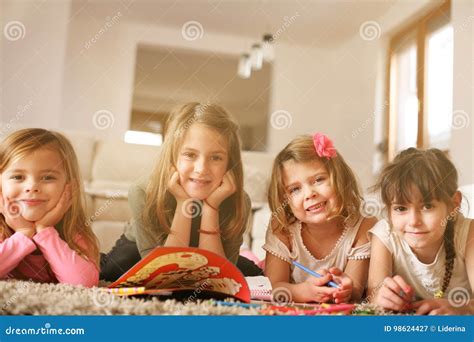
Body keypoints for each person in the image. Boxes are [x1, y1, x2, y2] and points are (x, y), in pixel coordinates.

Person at [100, 103, 262, 281]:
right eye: (190, 155)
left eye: (216, 158)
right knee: (113, 271)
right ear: (172, 156)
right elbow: (163, 274)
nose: (201, 169)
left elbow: (217, 278)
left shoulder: (239, 201)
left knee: (250, 272)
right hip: (146, 248)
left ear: (229, 163)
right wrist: (183, 203)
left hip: (208, 248)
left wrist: (210, 209)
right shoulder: (143, 191)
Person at [264, 133, 375, 303]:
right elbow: (272, 287)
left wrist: (345, 289)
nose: (309, 194)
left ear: (340, 178)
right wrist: (303, 292)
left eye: (318, 180)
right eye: (295, 189)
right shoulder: (282, 229)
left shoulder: (362, 228)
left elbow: (355, 292)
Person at [368, 147, 473, 314]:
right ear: (389, 211)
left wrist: (463, 307)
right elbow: (373, 294)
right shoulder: (385, 235)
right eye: (401, 208)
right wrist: (382, 298)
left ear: (454, 205)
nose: (414, 221)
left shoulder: (468, 233)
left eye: (427, 206)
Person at [0, 128, 99, 287]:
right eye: (18, 177)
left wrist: (45, 231)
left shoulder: (72, 230)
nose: (32, 187)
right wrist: (23, 234)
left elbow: (83, 283)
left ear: (70, 188)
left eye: (48, 177)